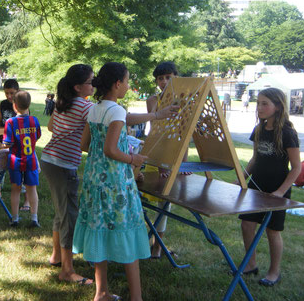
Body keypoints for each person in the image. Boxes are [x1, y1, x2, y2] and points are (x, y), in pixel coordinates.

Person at [73, 62, 150, 301]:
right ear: (117, 84)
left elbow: (85, 145)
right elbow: (111, 150)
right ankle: (136, 297)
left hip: (95, 180)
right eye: (127, 81)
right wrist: (133, 158)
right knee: (124, 233)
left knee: (101, 231)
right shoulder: (116, 111)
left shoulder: (95, 109)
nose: (128, 86)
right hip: (116, 183)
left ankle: (102, 292)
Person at [238, 87, 300, 287]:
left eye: (265, 103)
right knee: (247, 224)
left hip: (277, 190)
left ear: (278, 106)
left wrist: (280, 192)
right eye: (258, 103)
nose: (260, 107)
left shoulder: (288, 133)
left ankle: (274, 272)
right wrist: (242, 178)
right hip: (256, 187)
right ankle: (250, 264)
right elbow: (255, 159)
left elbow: (296, 167)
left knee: (272, 231)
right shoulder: (259, 129)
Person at [41, 64, 95, 285]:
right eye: (91, 81)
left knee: (61, 212)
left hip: (49, 160)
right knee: (69, 217)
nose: (95, 85)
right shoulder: (84, 106)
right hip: (63, 165)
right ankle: (67, 270)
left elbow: (52, 127)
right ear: (78, 87)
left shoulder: (63, 102)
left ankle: (56, 256)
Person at [146, 61, 191, 259]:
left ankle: (157, 246)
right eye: (160, 78)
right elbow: (156, 122)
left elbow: (185, 134)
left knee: (165, 205)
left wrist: (183, 162)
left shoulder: (185, 102)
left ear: (176, 77)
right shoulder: (152, 99)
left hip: (174, 155)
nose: (164, 81)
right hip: (155, 154)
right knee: (149, 200)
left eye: (168, 77)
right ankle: (146, 243)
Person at [2, 90, 42, 228]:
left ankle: (15, 219)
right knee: (32, 189)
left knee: (15, 189)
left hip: (16, 161)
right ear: (29, 105)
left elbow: (7, 143)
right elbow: (37, 136)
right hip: (30, 160)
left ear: (14, 106)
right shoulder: (34, 120)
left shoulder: (10, 122)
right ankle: (34, 218)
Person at [0, 78, 30, 211]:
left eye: (11, 93)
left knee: (24, 172)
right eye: (6, 93)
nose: (9, 96)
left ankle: (27, 201)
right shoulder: (3, 104)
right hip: (4, 141)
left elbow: (26, 128)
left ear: (18, 91)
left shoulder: (22, 105)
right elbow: (0, 121)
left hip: (19, 146)